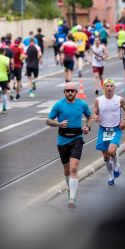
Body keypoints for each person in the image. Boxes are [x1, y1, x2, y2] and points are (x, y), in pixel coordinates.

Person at [47, 81, 92, 209]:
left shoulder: (82, 104)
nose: (70, 93)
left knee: (73, 168)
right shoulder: (59, 105)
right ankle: (69, 188)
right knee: (67, 169)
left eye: (73, 90)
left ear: (76, 92)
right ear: (64, 92)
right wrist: (59, 124)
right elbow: (48, 120)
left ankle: (72, 198)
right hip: (62, 140)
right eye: (68, 91)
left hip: (77, 139)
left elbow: (90, 117)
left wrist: (87, 127)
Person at [93, 78, 125, 185]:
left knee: (111, 150)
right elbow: (95, 113)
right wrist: (95, 117)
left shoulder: (119, 99)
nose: (109, 88)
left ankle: (116, 164)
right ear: (103, 87)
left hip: (116, 129)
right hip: (103, 129)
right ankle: (110, 175)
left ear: (114, 88)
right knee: (106, 156)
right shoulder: (98, 100)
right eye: (107, 86)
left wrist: (124, 120)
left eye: (111, 86)